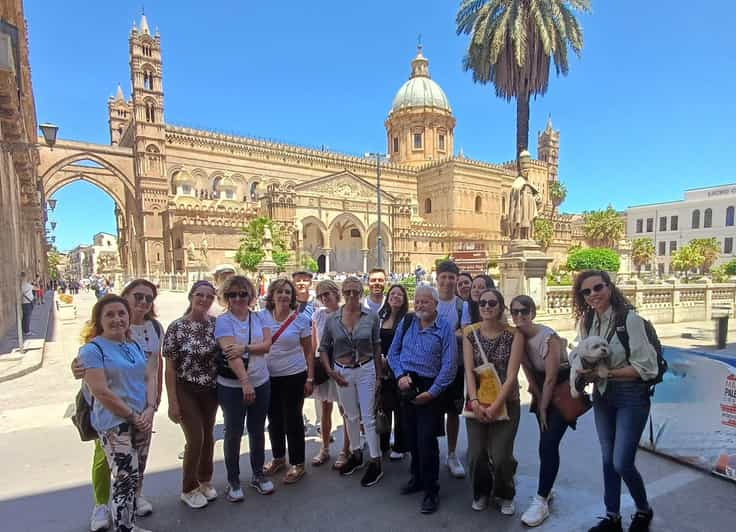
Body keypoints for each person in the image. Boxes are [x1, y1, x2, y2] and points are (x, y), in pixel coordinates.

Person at [573, 270, 658, 532]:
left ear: (609, 287)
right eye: (586, 292)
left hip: (631, 396)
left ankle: (643, 509)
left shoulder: (629, 320)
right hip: (602, 395)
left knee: (622, 461)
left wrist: (607, 372)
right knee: (608, 459)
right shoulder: (587, 322)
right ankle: (612, 516)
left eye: (597, 288)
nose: (593, 295)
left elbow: (648, 368)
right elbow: (582, 353)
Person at [78, 295, 158, 532]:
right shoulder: (92, 350)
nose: (117, 319)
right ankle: (124, 528)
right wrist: (132, 416)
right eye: (110, 315)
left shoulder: (133, 345)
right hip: (115, 423)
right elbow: (101, 392)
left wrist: (150, 409)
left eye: (121, 314)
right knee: (124, 478)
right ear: (99, 320)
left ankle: (128, 524)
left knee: (135, 476)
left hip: (141, 419)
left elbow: (147, 377)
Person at [387, 285, 457, 514]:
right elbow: (393, 353)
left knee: (427, 440)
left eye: (425, 301)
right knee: (410, 435)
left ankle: (431, 489)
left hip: (430, 387)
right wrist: (399, 376)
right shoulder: (407, 323)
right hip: (406, 383)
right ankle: (416, 478)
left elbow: (449, 365)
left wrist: (433, 391)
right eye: (417, 301)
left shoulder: (444, 329)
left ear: (436, 304)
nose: (420, 305)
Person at [463, 288, 524, 517]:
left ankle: (505, 493)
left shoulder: (514, 335)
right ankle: (481, 491)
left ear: (500, 308)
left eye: (492, 303)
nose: (487, 307)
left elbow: (512, 375)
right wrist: (475, 401)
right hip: (478, 400)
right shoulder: (471, 333)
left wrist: (497, 404)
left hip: (507, 401)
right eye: (483, 303)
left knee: (501, 456)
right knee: (476, 454)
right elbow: (469, 371)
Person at [319, 276, 384, 487]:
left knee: (368, 417)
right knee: (350, 416)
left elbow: (376, 346)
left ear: (361, 292)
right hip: (342, 372)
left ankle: (376, 461)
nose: (352, 295)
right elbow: (323, 348)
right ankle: (356, 454)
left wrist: (378, 375)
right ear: (343, 293)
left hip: (365, 370)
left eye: (356, 291)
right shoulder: (332, 320)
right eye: (348, 291)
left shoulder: (371, 317)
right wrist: (330, 371)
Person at [512, 295, 570, 527]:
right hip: (542, 392)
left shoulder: (547, 336)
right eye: (514, 312)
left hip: (561, 391)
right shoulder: (519, 337)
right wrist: (537, 399)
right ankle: (547, 488)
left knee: (548, 444)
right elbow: (527, 370)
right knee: (546, 444)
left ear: (533, 313)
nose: (519, 316)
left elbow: (552, 377)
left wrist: (544, 406)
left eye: (524, 311)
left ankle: (541, 500)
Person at [215, 275, 274, 501]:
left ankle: (258, 475)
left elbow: (267, 346)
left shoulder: (260, 317)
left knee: (258, 430)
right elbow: (230, 354)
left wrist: (245, 348)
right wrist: (245, 382)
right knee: (234, 432)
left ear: (251, 295)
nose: (238, 298)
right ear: (226, 297)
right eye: (232, 294)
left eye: (243, 293)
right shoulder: (223, 321)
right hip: (232, 386)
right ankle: (233, 481)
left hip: (261, 380)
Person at [163, 280, 219, 509]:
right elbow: (169, 368)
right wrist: (172, 402)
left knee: (209, 437)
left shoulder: (216, 324)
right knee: (195, 438)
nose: (204, 299)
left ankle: (204, 480)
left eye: (209, 296)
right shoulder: (176, 327)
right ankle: (188, 488)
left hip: (211, 390)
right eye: (200, 295)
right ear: (191, 297)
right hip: (186, 388)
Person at [262, 278, 313, 484]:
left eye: (287, 292)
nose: (284, 295)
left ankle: (298, 463)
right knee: (273, 419)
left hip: (294, 375)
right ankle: (278, 457)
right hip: (268, 376)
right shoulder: (261, 317)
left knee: (293, 418)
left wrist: (310, 377)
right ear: (272, 296)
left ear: (292, 297)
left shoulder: (300, 320)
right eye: (279, 292)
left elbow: (308, 351)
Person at [310, 280, 348, 468]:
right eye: (321, 295)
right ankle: (324, 448)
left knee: (345, 410)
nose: (325, 298)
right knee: (325, 408)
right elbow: (313, 344)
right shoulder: (317, 314)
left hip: (340, 366)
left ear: (336, 293)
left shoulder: (345, 313)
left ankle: (346, 450)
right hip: (322, 367)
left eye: (327, 294)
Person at [434, 260, 466, 479]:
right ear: (437, 279)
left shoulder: (462, 306)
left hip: (455, 366)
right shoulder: (429, 301)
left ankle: (452, 453)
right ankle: (431, 451)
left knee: (453, 411)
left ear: (456, 280)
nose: (447, 281)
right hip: (430, 368)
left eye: (451, 277)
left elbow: (466, 333)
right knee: (431, 410)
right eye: (443, 277)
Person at [377, 284, 410, 460]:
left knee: (400, 408)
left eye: (399, 294)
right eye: (392, 293)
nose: (395, 296)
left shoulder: (408, 320)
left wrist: (392, 361)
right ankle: (383, 443)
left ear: (404, 299)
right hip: (382, 369)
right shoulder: (381, 317)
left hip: (400, 368)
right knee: (384, 406)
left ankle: (400, 445)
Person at [19, 272, 34, 336]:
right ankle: (27, 331)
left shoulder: (22, 284)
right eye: (25, 277)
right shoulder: (26, 285)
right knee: (27, 317)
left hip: (25, 303)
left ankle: (24, 330)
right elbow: (38, 288)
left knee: (25, 317)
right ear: (24, 277)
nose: (26, 278)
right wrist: (37, 282)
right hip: (27, 303)